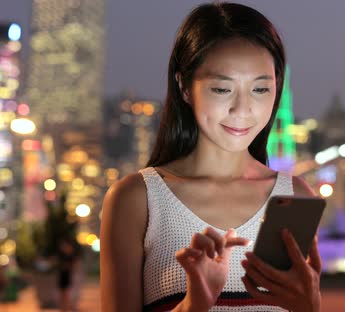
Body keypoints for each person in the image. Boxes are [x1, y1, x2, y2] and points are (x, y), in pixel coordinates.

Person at [100, 2, 322, 311]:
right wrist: (193, 305)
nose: (242, 109)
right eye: (222, 89)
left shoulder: (294, 197)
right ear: (184, 87)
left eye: (260, 89)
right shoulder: (138, 199)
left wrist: (309, 306)